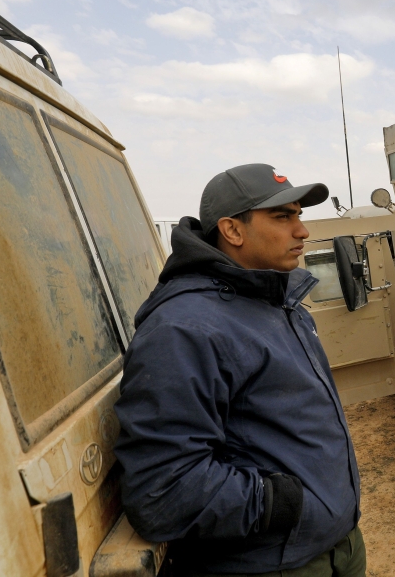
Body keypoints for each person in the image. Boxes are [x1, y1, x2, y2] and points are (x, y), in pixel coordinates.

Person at [114, 164, 366, 577]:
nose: (301, 231)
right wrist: (279, 503)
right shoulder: (185, 329)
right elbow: (163, 489)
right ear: (232, 231)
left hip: (337, 546)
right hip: (270, 563)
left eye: (299, 215)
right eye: (283, 217)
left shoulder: (278, 300)